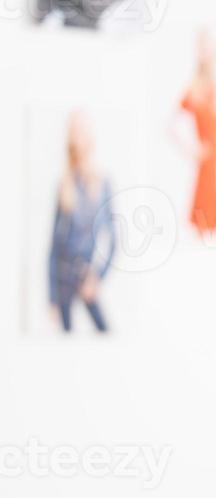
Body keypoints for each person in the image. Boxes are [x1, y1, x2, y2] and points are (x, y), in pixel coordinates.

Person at [48, 110, 116, 334]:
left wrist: (97, 277)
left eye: (82, 130)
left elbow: (114, 240)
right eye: (73, 131)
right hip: (64, 279)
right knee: (66, 342)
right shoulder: (64, 184)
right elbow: (53, 247)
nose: (78, 137)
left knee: (105, 334)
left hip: (87, 275)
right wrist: (52, 298)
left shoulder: (103, 182)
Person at [174, 29, 216, 238]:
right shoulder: (193, 87)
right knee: (204, 221)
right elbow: (171, 125)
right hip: (205, 161)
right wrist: (191, 149)